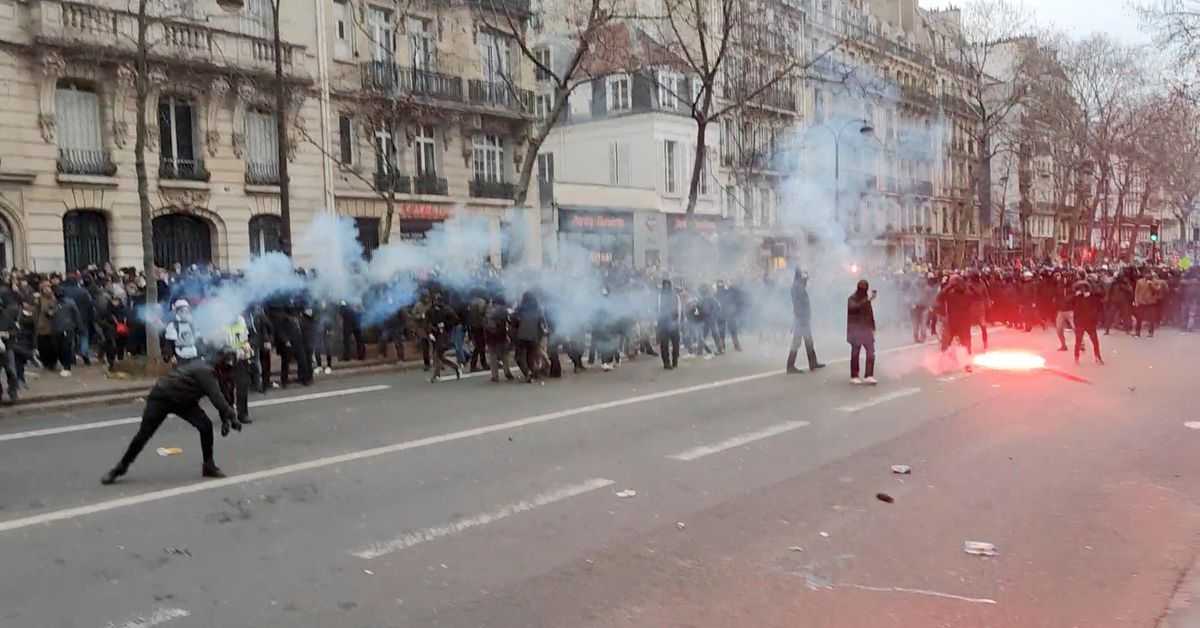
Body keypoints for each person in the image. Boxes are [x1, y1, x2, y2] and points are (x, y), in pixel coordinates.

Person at [100, 350, 242, 485]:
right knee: (143, 435)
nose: (230, 373)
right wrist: (232, 416)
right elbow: (216, 397)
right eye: (229, 369)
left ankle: (208, 466)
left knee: (205, 426)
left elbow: (223, 396)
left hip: (185, 401)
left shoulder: (212, 370)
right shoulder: (206, 371)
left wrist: (226, 418)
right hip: (162, 396)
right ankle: (120, 467)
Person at [787, 269, 825, 374]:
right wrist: (803, 319)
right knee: (796, 342)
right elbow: (799, 305)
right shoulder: (797, 288)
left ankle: (813, 363)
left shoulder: (797, 286)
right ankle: (790, 366)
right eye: (803, 279)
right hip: (801, 319)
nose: (806, 281)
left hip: (802, 318)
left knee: (809, 341)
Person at [223, 312, 255, 425]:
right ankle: (228, 414)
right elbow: (218, 342)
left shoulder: (241, 320)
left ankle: (243, 414)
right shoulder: (221, 321)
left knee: (243, 386)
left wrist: (247, 346)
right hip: (226, 359)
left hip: (241, 358)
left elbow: (247, 337)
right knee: (227, 388)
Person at [847, 279, 877, 385]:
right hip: (855, 330)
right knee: (855, 353)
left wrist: (873, 326)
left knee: (871, 352)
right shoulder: (852, 299)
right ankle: (854, 375)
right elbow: (854, 308)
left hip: (867, 329)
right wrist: (868, 300)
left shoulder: (866, 299)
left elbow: (870, 314)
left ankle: (869, 375)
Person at [1071, 273, 1104, 365]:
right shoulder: (1076, 297)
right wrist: (1075, 294)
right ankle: (1076, 357)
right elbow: (1069, 301)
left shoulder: (1092, 297)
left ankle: (1098, 357)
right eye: (1081, 288)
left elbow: (1100, 294)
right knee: (1078, 341)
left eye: (1084, 288)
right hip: (1080, 322)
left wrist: (1090, 293)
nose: (1083, 290)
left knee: (1095, 341)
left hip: (1090, 322)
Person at [513, 291, 545, 383]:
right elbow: (542, 324)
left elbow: (514, 322)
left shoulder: (520, 309)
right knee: (530, 356)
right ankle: (533, 373)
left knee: (519, 357)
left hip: (521, 336)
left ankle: (527, 373)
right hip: (534, 337)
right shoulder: (538, 309)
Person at [485, 295, 516, 382]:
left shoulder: (488, 310)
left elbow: (485, 322)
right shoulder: (504, 310)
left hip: (490, 335)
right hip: (501, 334)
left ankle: (495, 376)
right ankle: (507, 372)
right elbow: (510, 321)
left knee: (493, 356)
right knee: (504, 355)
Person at [163, 299, 200, 364]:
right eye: (182, 311)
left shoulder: (192, 325)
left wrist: (202, 355)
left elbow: (199, 341)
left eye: (186, 311)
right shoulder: (173, 325)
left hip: (193, 355)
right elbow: (169, 343)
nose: (184, 313)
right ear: (177, 312)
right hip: (180, 356)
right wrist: (170, 356)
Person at [657, 279, 682, 370]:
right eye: (665, 285)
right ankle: (666, 363)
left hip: (674, 323)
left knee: (676, 344)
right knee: (664, 345)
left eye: (668, 285)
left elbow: (679, 309)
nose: (667, 287)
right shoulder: (659, 296)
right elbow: (658, 309)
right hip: (663, 323)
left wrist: (679, 322)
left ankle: (675, 360)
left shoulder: (676, 296)